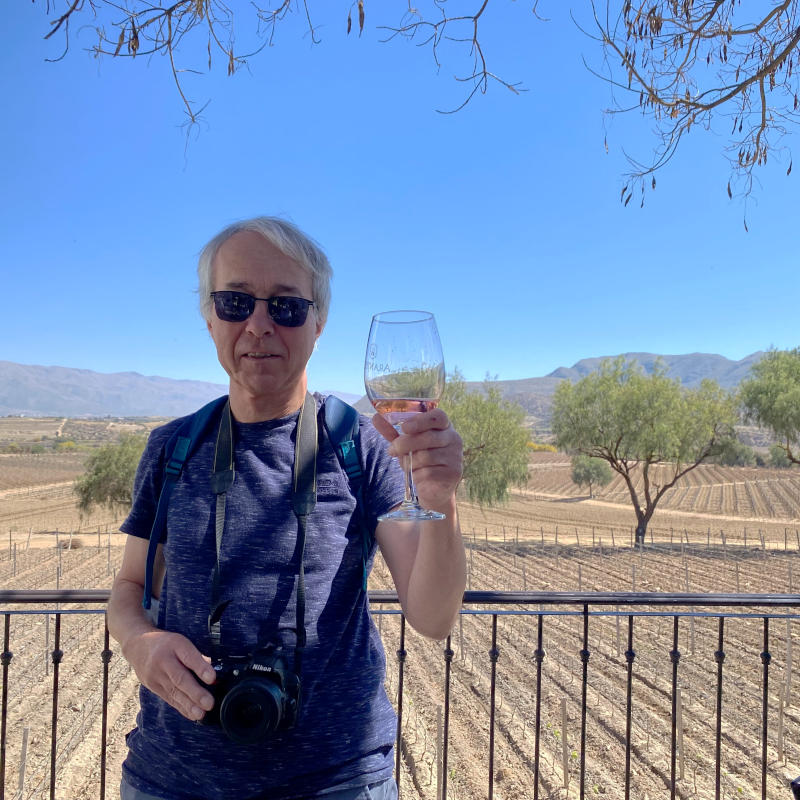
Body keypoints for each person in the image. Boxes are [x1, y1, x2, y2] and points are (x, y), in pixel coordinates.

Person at [106, 216, 466, 800]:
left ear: (318, 323)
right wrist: (139, 643)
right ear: (208, 317)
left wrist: (442, 503)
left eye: (286, 307)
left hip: (338, 781)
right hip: (171, 779)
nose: (259, 325)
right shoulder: (171, 449)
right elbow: (127, 588)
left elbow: (432, 616)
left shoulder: (359, 446)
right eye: (235, 301)